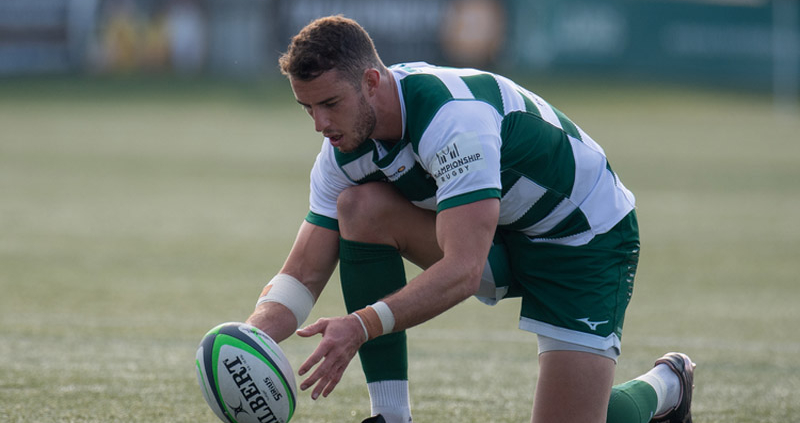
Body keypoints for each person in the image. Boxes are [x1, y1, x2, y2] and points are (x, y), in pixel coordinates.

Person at [246, 15, 695, 423]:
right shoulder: (342, 151)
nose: (320, 124)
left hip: (583, 240)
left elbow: (462, 272)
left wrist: (360, 325)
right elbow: (303, 272)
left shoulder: (452, 119)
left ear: (370, 81)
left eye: (330, 103)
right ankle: (390, 416)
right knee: (360, 208)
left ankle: (668, 385)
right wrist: (245, 340)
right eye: (308, 109)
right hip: (496, 231)